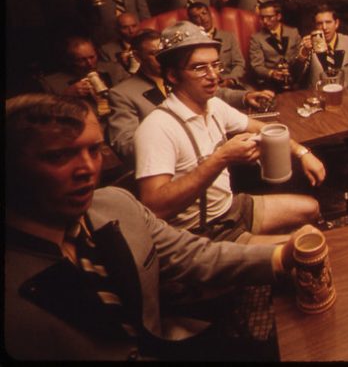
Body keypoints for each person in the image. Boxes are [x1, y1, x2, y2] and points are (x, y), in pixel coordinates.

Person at [5, 93, 317, 360]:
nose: (87, 169)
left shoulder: (116, 203)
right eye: (59, 156)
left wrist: (281, 256)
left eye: (94, 150)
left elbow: (192, 255)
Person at [134, 21, 325, 243]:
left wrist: (303, 153)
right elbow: (155, 207)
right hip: (198, 233)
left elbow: (261, 128)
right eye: (199, 68)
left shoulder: (213, 105)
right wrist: (223, 157)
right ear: (173, 76)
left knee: (313, 208)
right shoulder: (156, 128)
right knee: (302, 246)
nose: (213, 75)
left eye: (215, 65)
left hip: (229, 209)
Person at [108, 29, 274, 166]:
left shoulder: (182, 76)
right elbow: (125, 145)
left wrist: (246, 97)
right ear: (137, 57)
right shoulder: (122, 94)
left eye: (164, 52)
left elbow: (217, 94)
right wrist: (175, 139)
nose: (163, 58)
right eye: (155, 54)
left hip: (216, 159)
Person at [39, 36, 129, 124]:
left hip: (122, 121)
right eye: (81, 60)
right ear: (69, 60)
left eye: (92, 57)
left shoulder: (115, 69)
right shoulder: (52, 83)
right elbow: (47, 116)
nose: (89, 63)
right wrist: (65, 95)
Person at [295, 5, 348, 100]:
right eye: (319, 23)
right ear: (315, 26)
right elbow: (295, 77)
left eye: (328, 22)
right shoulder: (308, 45)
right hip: (319, 101)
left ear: (336, 23)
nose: (324, 27)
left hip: (347, 101)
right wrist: (303, 54)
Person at [186, 1, 246, 88]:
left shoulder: (228, 37)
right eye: (196, 17)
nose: (202, 18)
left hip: (230, 84)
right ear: (192, 21)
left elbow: (239, 64)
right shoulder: (190, 42)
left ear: (210, 15)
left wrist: (231, 80)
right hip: (204, 86)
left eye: (204, 13)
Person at [248, 1, 301, 91]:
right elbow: (257, 66)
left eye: (269, 17)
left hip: (294, 80)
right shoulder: (256, 38)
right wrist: (272, 73)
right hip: (271, 83)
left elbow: (300, 58)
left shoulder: (293, 32)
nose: (265, 21)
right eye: (262, 17)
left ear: (278, 16)